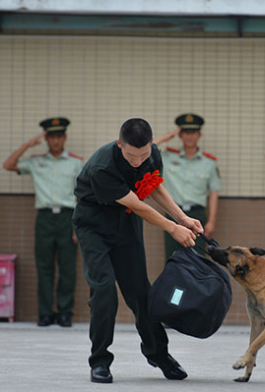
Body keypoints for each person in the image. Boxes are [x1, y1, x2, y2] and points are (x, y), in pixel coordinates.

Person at [72, 118, 203, 384]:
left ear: (151, 145)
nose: (137, 160)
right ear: (120, 144)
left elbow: (151, 186)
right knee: (104, 288)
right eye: (131, 155)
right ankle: (99, 361)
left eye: (143, 154)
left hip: (126, 223)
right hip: (94, 225)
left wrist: (182, 218)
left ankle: (159, 354)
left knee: (142, 293)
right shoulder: (103, 166)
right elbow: (138, 204)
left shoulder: (151, 154)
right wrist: (171, 227)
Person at [3, 117, 83, 327]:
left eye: (59, 136)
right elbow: (8, 165)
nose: (56, 141)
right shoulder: (36, 161)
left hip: (68, 217)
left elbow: (83, 196)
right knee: (44, 267)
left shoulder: (75, 163)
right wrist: (28, 145)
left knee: (67, 268)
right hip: (45, 218)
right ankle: (46, 313)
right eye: (51, 137)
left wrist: (78, 225)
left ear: (64, 137)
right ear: (46, 139)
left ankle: (65, 312)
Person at [154, 113, 222, 259]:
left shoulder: (209, 162)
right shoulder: (167, 157)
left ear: (199, 135)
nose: (189, 137)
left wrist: (211, 221)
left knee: (196, 261)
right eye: (185, 132)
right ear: (180, 135)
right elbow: (146, 149)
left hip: (197, 216)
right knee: (172, 259)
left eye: (193, 132)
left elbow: (214, 193)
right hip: (173, 214)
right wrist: (167, 137)